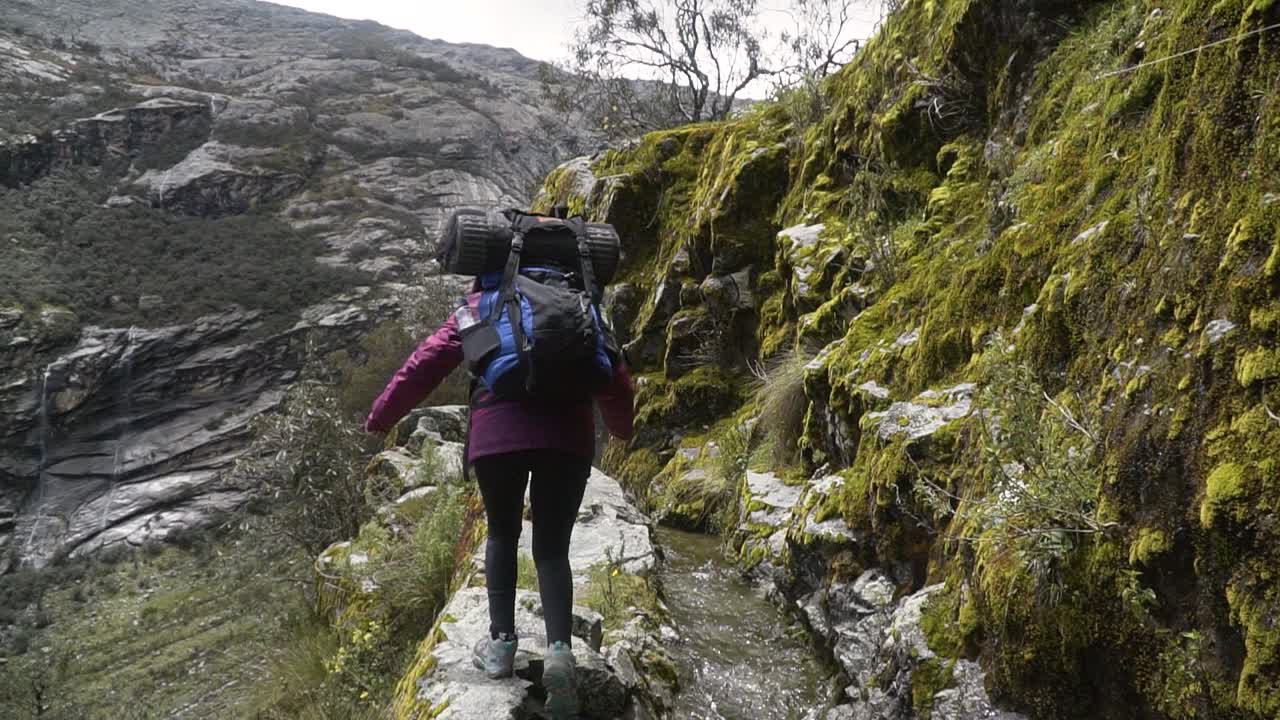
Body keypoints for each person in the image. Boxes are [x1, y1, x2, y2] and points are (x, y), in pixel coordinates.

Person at [363, 285, 635, 719]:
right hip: (567, 440)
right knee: (551, 549)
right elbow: (614, 375)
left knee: (502, 534)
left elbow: (426, 361)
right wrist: (622, 428)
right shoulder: (582, 307)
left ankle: (501, 647)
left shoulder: (483, 302)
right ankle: (561, 654)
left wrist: (381, 415)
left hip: (497, 437)